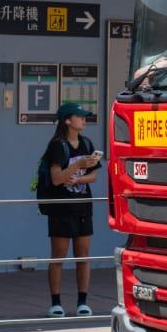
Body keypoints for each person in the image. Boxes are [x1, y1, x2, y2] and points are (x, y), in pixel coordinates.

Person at [38, 102, 100, 317]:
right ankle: (56, 303)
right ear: (67, 121)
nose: (84, 120)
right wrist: (78, 164)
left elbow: (94, 175)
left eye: (84, 117)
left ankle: (83, 301)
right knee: (59, 255)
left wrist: (81, 176)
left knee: (83, 254)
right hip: (61, 206)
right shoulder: (57, 145)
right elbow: (56, 179)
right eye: (79, 116)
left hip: (83, 205)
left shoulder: (87, 142)